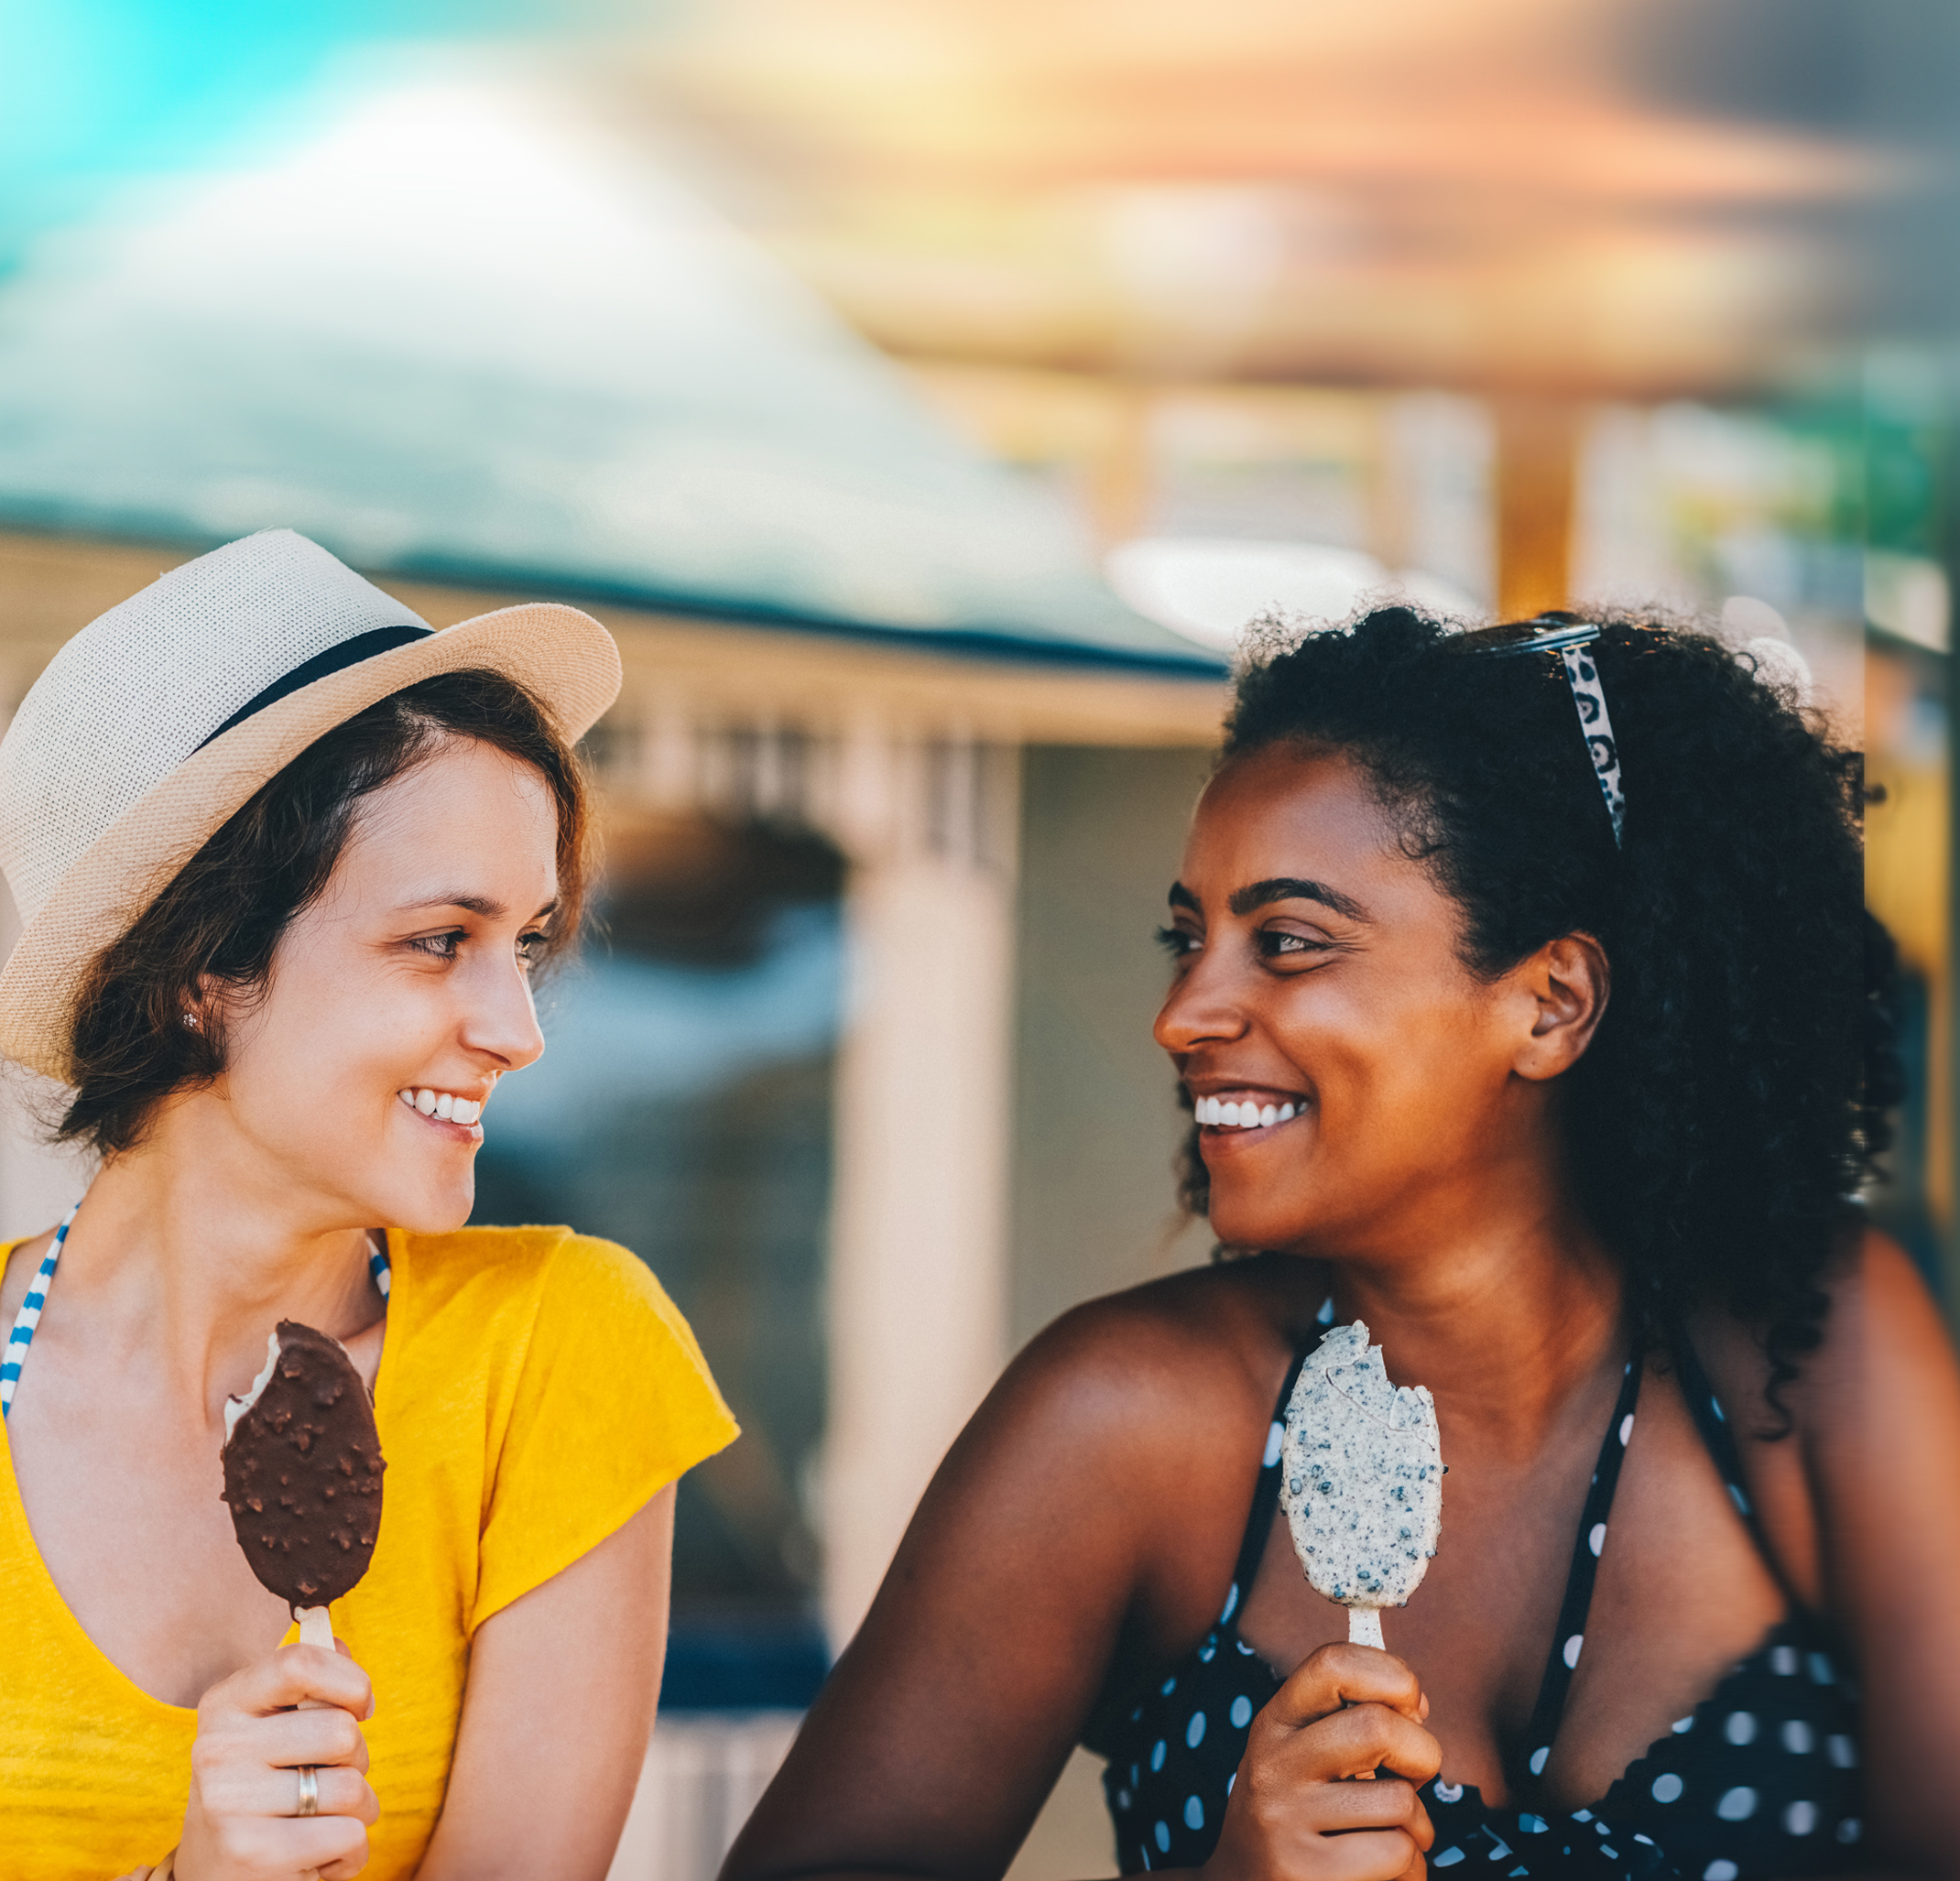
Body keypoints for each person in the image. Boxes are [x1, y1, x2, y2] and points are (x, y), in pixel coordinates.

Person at [724, 608, 1960, 1881]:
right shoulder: (1125, 1426)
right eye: (1186, 939)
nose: (1184, 1013)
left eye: (1290, 944)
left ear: (1549, 1005)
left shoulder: (1811, 1351)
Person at [0, 531, 737, 1880]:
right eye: (438, 942)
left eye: (523, 946)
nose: (517, 1031)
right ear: (200, 970)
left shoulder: (560, 1353)